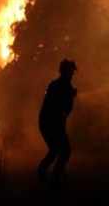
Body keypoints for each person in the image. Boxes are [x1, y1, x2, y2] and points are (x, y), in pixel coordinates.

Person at [38, 59, 78, 187]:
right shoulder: (64, 86)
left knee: (59, 150)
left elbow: (65, 110)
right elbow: (65, 109)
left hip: (48, 121)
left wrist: (70, 97)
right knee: (62, 150)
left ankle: (48, 174)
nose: (72, 75)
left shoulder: (56, 84)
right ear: (66, 72)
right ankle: (51, 177)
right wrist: (71, 97)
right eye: (71, 72)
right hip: (51, 122)